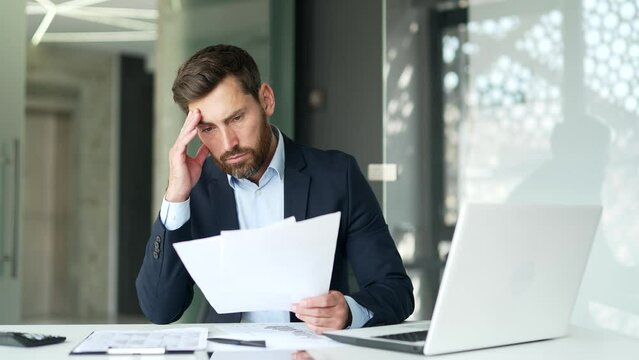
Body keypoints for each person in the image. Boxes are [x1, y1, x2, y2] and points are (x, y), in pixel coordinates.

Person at [136, 44, 414, 333]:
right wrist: (176, 197)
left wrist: (348, 311)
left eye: (236, 118)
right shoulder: (195, 190)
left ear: (266, 100)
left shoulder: (336, 175)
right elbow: (160, 308)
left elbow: (396, 291)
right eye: (208, 129)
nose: (228, 142)